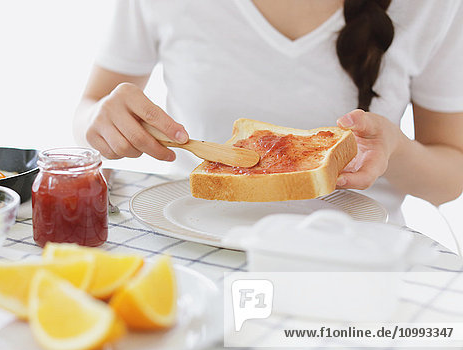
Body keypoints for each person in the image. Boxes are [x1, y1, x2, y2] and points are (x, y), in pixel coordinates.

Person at [73, 0, 463, 222]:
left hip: (353, 260)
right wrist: (101, 122)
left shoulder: (432, 7)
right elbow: (89, 112)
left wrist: (394, 147)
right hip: (191, 238)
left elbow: (450, 178)